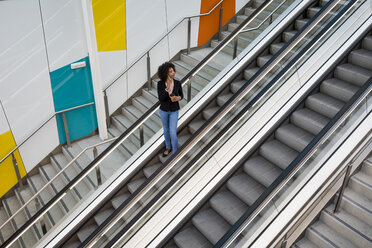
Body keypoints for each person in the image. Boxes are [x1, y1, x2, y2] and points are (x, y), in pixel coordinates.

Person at [157, 62, 183, 157]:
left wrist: (177, 98)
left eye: (173, 71)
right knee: (166, 130)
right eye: (170, 72)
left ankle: (175, 152)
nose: (173, 73)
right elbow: (161, 99)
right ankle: (168, 147)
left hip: (174, 110)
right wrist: (166, 89)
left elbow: (182, 95)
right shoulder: (160, 84)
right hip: (163, 110)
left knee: (172, 131)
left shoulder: (177, 83)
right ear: (165, 74)